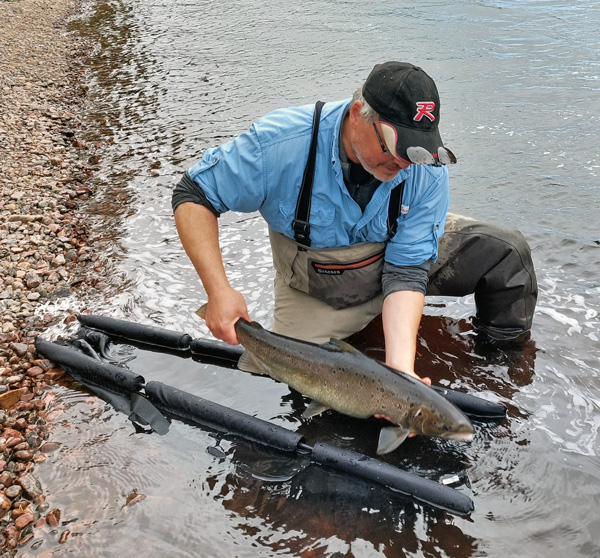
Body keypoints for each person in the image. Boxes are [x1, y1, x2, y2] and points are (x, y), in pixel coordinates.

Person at [173, 61, 537, 380]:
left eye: (416, 151)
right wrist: (218, 291)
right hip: (320, 283)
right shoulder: (280, 144)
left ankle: (498, 371)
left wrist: (400, 371)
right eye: (396, 149)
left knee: (507, 253)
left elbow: (407, 271)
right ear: (356, 114)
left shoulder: (423, 166)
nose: (403, 165)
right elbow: (194, 195)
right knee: (287, 380)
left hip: (397, 258)